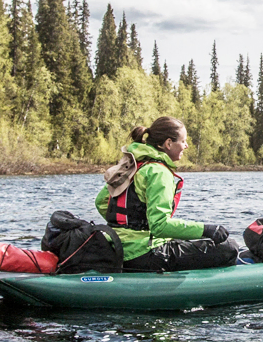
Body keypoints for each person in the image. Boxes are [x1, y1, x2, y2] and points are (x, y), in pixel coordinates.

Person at [96, 116, 239, 272]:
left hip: (117, 248)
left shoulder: (133, 164)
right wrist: (206, 229)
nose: (187, 146)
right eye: (183, 141)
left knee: (189, 239)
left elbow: (102, 202)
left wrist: (127, 228)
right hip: (145, 255)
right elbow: (160, 226)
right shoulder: (158, 172)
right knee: (229, 247)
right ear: (168, 143)